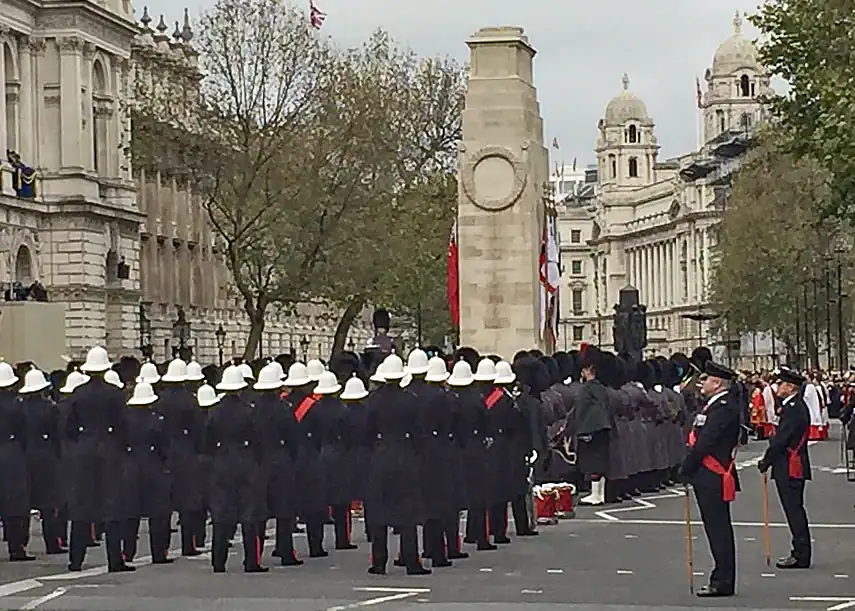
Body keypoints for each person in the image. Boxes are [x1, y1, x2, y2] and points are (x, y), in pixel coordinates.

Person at [680, 360, 741, 597]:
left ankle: (723, 579)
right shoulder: (714, 407)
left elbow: (706, 442)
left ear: (717, 383)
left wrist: (687, 467)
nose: (701, 382)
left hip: (712, 473)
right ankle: (721, 576)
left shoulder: (723, 408)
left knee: (718, 529)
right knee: (715, 528)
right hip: (707, 473)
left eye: (705, 379)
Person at [758, 367, 812, 569]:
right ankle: (800, 550)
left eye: (781, 383)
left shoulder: (794, 409)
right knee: (794, 509)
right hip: (790, 462)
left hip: (790, 464)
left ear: (790, 387)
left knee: (794, 510)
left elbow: (781, 440)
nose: (777, 386)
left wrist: (766, 461)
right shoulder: (791, 407)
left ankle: (800, 552)